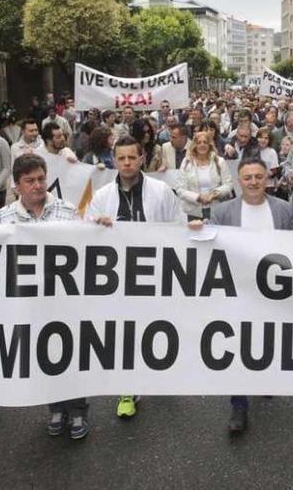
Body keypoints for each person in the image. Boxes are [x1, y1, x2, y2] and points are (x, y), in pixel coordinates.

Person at [196, 157, 293, 432]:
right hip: (236, 292)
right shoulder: (223, 212)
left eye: (258, 177)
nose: (253, 182)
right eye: (247, 177)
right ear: (239, 181)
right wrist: (195, 233)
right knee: (238, 346)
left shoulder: (284, 210)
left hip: (272, 292)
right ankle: (238, 403)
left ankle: (263, 380)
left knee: (267, 340)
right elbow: (211, 248)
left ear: (267, 179)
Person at [0, 154, 90, 439]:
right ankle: (56, 408)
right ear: (17, 185)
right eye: (30, 181)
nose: (37, 186)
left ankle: (78, 411)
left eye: (41, 179)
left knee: (72, 356)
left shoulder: (67, 210)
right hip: (31, 303)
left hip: (65, 300)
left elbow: (84, 251)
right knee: (46, 357)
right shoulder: (4, 217)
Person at [86, 135, 184, 418]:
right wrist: (96, 226)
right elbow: (85, 235)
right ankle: (128, 388)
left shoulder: (162, 190)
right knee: (124, 333)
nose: (127, 163)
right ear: (113, 160)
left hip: (156, 273)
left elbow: (177, 228)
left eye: (132, 157)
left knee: (158, 328)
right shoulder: (102, 197)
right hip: (118, 278)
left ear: (142, 158)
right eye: (121, 158)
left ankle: (161, 374)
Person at [175, 131, 233, 221]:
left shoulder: (219, 161)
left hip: (215, 209)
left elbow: (228, 185)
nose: (202, 145)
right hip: (193, 212)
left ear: (210, 144)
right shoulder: (186, 162)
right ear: (195, 145)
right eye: (199, 142)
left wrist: (214, 194)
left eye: (205, 142)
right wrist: (198, 197)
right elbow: (180, 189)